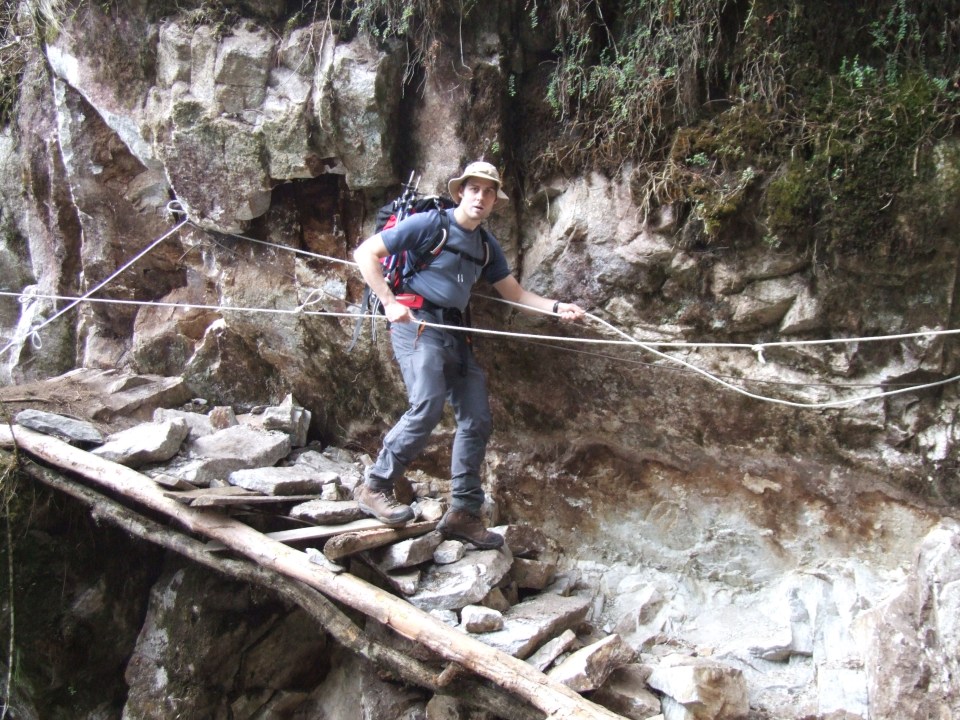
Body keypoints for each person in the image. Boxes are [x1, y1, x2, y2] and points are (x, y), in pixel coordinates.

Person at [353, 161, 585, 549]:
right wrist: (390, 303)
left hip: (455, 332)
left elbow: (515, 294)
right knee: (427, 405)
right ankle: (374, 485)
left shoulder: (485, 245)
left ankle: (463, 512)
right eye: (474, 189)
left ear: (495, 199)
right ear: (461, 192)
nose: (480, 196)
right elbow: (366, 254)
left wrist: (558, 307)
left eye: (488, 191)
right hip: (416, 321)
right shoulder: (432, 224)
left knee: (477, 417)